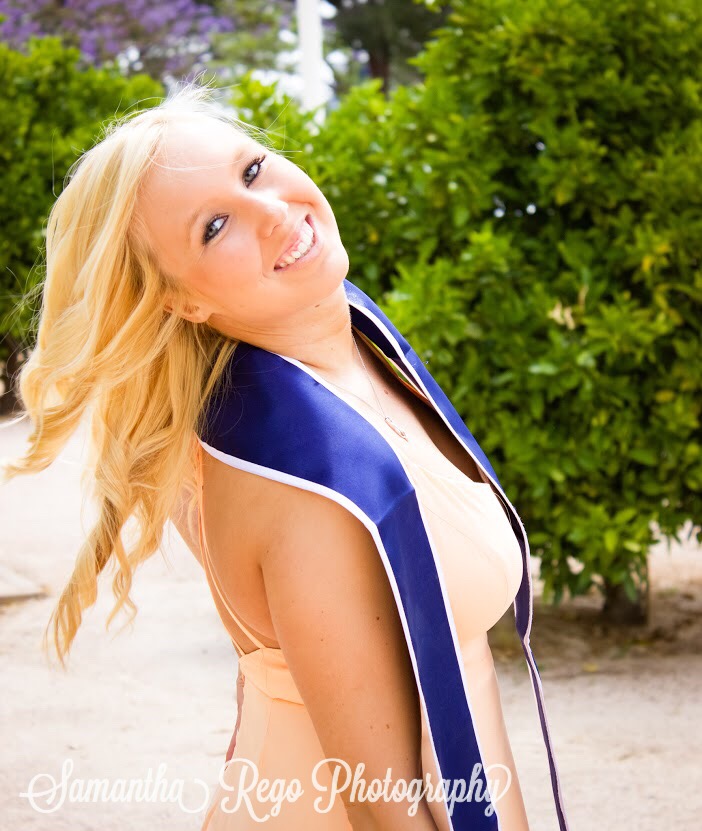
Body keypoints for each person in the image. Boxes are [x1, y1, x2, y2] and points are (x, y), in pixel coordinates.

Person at [2, 82, 570, 831]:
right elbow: (384, 807)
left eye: (252, 170)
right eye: (214, 227)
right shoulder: (302, 475)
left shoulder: (341, 351)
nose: (272, 213)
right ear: (182, 301)